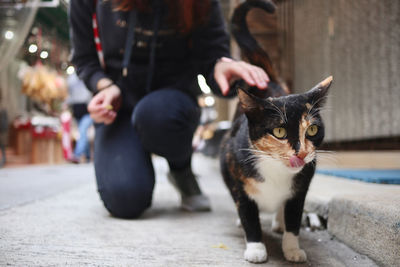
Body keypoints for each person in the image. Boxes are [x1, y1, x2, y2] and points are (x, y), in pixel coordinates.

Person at [69, 0, 269, 219]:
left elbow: (211, 55)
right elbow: (84, 58)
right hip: (119, 103)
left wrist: (222, 67)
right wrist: (104, 87)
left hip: (171, 102)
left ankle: (180, 167)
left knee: (155, 115)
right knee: (125, 200)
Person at [66, 72, 93, 163]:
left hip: (87, 110)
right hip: (77, 110)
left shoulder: (87, 75)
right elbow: (69, 94)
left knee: (82, 131)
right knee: (83, 133)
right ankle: (88, 156)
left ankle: (77, 155)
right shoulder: (71, 79)